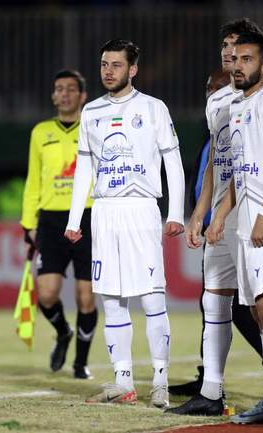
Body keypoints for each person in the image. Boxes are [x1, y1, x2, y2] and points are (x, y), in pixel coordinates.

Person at [167, 18, 263, 417]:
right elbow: (222, 162)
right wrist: (205, 211)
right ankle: (211, 392)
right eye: (227, 47)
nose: (232, 54)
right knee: (217, 298)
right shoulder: (223, 101)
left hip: (259, 211)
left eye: (241, 50)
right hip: (232, 209)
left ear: (260, 60)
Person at [64, 39, 185, 409]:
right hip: (104, 212)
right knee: (112, 301)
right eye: (104, 64)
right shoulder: (91, 111)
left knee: (151, 297)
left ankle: (161, 381)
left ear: (133, 69)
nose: (108, 71)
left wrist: (175, 213)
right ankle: (123, 383)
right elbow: (84, 167)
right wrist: (74, 219)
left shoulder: (153, 108)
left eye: (116, 65)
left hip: (140, 209)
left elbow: (173, 162)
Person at [200, 31, 263, 425]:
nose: (238, 65)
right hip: (246, 222)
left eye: (247, 59)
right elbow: (239, 176)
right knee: (258, 310)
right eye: (236, 58)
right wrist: (220, 216)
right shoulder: (239, 105)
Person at [20, 69, 97, 380]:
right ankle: (63, 332)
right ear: (53, 96)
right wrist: (28, 223)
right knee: (47, 295)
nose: (64, 94)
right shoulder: (40, 132)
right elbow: (33, 180)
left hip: (88, 217)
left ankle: (80, 364)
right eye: (59, 89)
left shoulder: (94, 127)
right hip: (51, 220)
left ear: (82, 96)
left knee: (85, 296)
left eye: (70, 89)